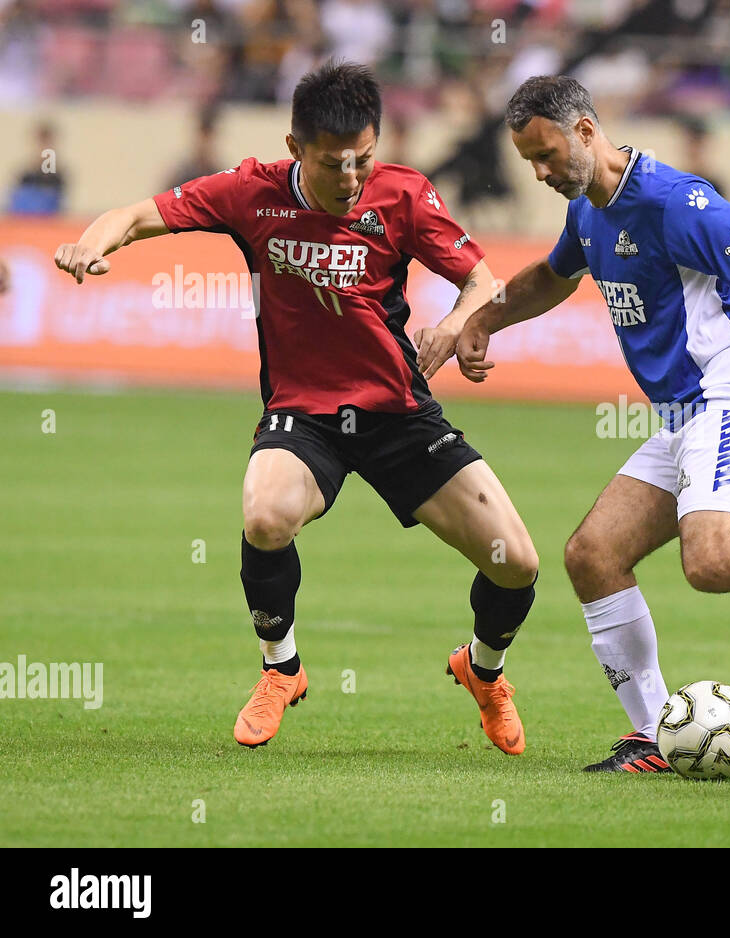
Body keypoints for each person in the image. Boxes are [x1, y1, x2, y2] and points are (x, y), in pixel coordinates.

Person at [52, 62, 539, 756]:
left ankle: (483, 671)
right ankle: (281, 667)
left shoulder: (403, 195)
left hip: (399, 413)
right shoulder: (251, 192)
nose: (350, 180)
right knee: (265, 512)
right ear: (294, 148)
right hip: (305, 414)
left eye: (362, 161)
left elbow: (481, 280)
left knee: (515, 561)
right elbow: (135, 216)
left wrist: (460, 326)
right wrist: (88, 246)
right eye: (333, 164)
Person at [437, 75, 730, 773]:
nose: (538, 172)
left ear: (588, 132)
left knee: (712, 559)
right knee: (592, 556)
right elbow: (553, 275)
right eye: (528, 160)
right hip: (688, 415)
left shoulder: (677, 201)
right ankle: (655, 736)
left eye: (546, 155)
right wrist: (485, 318)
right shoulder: (589, 211)